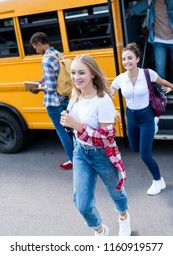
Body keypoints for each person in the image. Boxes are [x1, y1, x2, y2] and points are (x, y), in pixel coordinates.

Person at [60, 54, 131, 236]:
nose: (76, 77)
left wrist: (77, 125)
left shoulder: (103, 100)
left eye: (81, 72)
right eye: (73, 73)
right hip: (81, 152)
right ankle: (100, 230)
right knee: (82, 204)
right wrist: (68, 124)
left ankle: (123, 216)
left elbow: (106, 138)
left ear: (92, 73)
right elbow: (75, 128)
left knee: (117, 193)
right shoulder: (74, 97)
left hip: (103, 155)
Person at [111, 42, 173, 196]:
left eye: (130, 58)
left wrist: (170, 87)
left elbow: (165, 83)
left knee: (144, 154)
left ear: (137, 59)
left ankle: (158, 181)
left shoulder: (148, 74)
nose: (126, 62)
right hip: (131, 116)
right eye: (124, 59)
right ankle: (153, 126)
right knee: (134, 147)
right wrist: (111, 109)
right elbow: (107, 96)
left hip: (146, 116)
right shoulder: (120, 79)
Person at [29, 32, 73, 170]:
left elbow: (51, 86)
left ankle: (74, 161)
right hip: (64, 97)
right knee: (70, 130)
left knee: (62, 132)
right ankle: (79, 158)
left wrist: (37, 89)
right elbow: (56, 76)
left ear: (40, 44)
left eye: (36, 47)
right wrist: (40, 81)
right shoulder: (57, 54)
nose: (36, 51)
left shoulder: (46, 60)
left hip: (54, 102)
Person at [125, 0, 173, 81]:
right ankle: (161, 93)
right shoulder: (149, 0)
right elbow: (135, 8)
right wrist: (127, 14)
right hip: (158, 40)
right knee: (160, 68)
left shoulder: (171, 0)